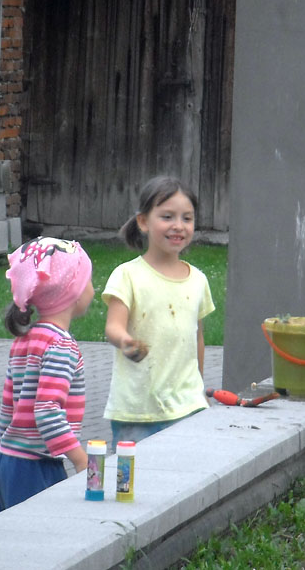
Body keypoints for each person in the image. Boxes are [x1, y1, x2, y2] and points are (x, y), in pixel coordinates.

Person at [102, 175, 215, 447]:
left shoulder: (198, 280)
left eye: (187, 218)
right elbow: (113, 326)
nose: (178, 226)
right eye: (167, 217)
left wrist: (199, 390)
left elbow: (197, 338)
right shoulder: (127, 275)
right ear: (143, 222)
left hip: (187, 406)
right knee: (135, 475)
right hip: (138, 410)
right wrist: (125, 341)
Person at [0, 236, 94, 512]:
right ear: (72, 290)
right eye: (88, 280)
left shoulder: (26, 338)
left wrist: (6, 448)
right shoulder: (60, 345)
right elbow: (47, 410)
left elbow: (8, 407)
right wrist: (81, 460)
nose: (93, 288)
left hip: (8, 462)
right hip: (36, 467)